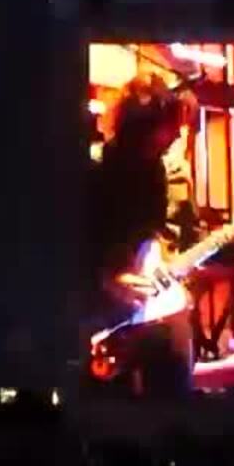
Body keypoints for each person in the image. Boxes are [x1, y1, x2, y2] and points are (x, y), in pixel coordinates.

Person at [90, 72, 198, 397]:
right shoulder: (93, 169)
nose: (177, 136)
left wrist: (166, 267)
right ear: (144, 125)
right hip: (99, 312)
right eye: (171, 126)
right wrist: (107, 277)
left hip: (146, 301)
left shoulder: (158, 171)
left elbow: (154, 233)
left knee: (177, 342)